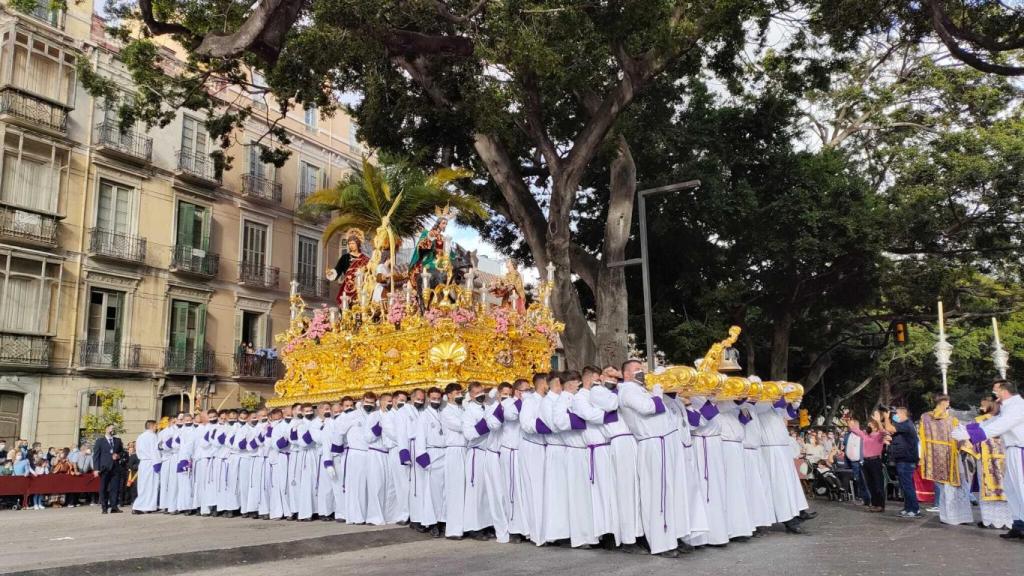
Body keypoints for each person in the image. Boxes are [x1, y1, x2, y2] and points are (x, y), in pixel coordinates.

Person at [617, 359, 685, 557]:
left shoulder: (642, 389)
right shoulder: (628, 390)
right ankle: (661, 543)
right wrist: (657, 393)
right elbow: (649, 408)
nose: (642, 373)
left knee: (669, 492)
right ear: (627, 374)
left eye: (642, 369)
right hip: (651, 443)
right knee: (657, 494)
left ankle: (672, 536)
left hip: (663, 442)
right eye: (637, 370)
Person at [954, 379, 1024, 540]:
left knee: (1020, 488)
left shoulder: (1017, 406)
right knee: (1012, 488)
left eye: (996, 391)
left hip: (1019, 449)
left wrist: (971, 435)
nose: (994, 394)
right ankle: (1019, 525)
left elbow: (1001, 425)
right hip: (1012, 450)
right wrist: (968, 429)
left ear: (1005, 391)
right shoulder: (1009, 407)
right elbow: (993, 421)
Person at [962, 394, 1012, 529]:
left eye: (983, 404)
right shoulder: (1005, 420)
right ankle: (1004, 521)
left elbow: (970, 441)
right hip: (1000, 460)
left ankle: (990, 521)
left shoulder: (979, 422)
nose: (981, 407)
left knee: (993, 489)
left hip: (988, 461)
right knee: (1005, 490)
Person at [441, 383, 468, 539]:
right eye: (457, 392)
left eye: (461, 392)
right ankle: (453, 529)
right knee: (455, 489)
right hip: (454, 450)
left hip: (465, 449)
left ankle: (466, 525)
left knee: (466, 489)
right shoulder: (446, 412)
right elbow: (461, 426)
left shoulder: (462, 408)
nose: (460, 395)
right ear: (449, 395)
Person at [848, 414, 887, 512]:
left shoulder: (878, 435)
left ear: (875, 427)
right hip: (866, 462)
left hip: (875, 461)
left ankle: (880, 505)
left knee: (878, 484)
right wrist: (848, 419)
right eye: (868, 425)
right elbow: (854, 429)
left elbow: (883, 432)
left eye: (870, 425)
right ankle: (874, 504)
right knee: (870, 484)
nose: (868, 427)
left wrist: (878, 421)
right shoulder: (864, 435)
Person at [92, 424, 125, 514]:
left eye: (114, 429)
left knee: (115, 488)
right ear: (106, 429)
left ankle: (114, 507)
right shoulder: (100, 441)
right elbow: (96, 456)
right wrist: (96, 469)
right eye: (111, 428)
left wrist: (118, 455)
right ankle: (104, 507)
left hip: (115, 468)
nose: (113, 430)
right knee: (104, 488)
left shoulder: (117, 440)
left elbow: (122, 452)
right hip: (104, 468)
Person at [134, 420, 160, 514]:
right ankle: (140, 505)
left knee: (143, 485)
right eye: (156, 425)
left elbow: (137, 450)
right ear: (152, 426)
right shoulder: (152, 436)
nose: (157, 427)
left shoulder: (140, 436)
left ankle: (147, 506)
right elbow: (154, 450)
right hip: (150, 462)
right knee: (150, 485)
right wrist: (157, 463)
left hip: (143, 462)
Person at [843, 418, 870, 506]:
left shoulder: (862, 434)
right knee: (858, 480)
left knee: (864, 481)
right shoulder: (848, 435)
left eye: (850, 425)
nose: (849, 426)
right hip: (852, 462)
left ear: (856, 425)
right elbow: (845, 445)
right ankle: (863, 499)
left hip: (861, 461)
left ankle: (869, 499)